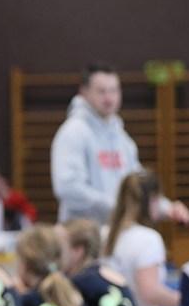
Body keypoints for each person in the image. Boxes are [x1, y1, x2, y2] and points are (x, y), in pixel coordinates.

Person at [50, 64, 145, 222]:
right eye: (101, 91)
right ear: (84, 92)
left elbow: (136, 181)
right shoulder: (73, 132)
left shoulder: (122, 137)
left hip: (118, 227)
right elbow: (68, 188)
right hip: (83, 232)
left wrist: (163, 206)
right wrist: (115, 206)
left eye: (113, 90)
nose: (109, 98)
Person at [104, 172, 181, 306]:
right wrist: (188, 301)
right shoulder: (148, 239)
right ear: (152, 200)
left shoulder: (104, 234)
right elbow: (149, 292)